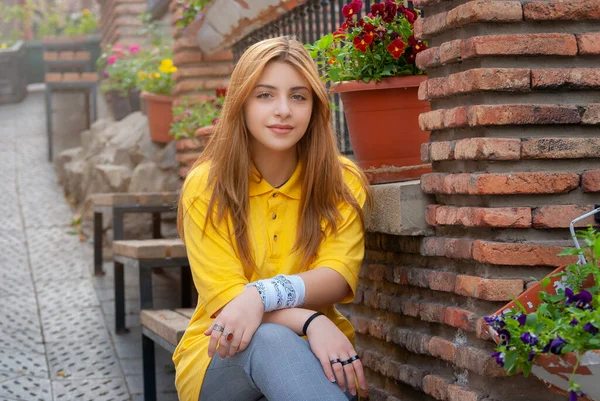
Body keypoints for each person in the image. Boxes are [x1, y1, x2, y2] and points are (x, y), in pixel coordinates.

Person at [173, 36, 373, 401]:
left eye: (298, 96)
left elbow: (337, 275)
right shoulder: (207, 185)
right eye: (265, 95)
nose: (283, 110)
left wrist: (260, 295)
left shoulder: (341, 181)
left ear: (314, 106)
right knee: (269, 338)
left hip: (320, 353)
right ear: (242, 104)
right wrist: (309, 320)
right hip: (219, 354)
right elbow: (230, 311)